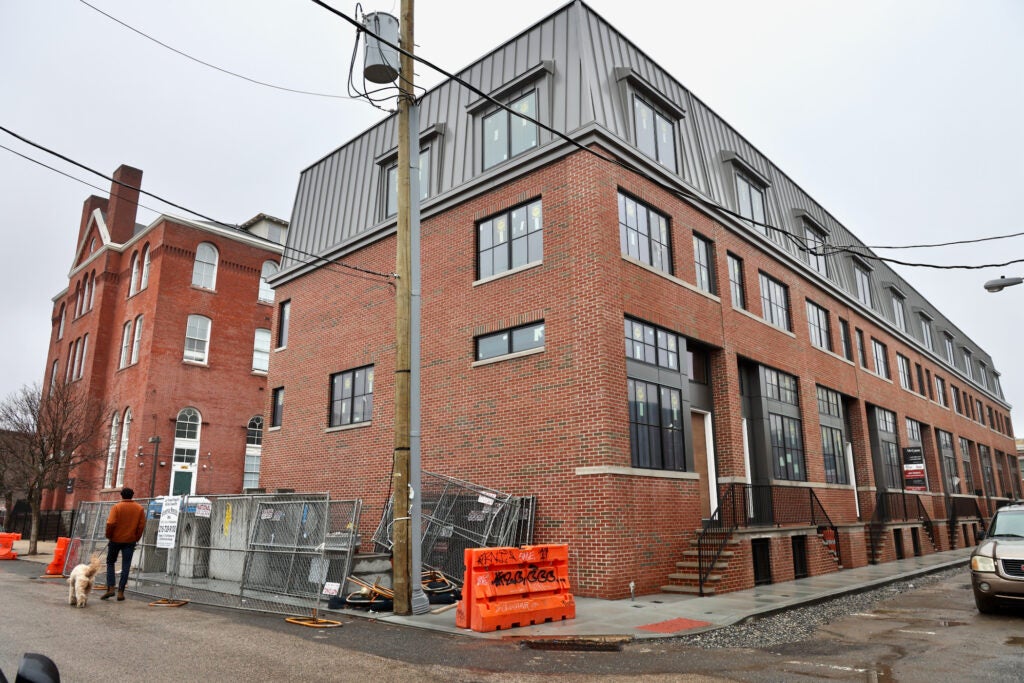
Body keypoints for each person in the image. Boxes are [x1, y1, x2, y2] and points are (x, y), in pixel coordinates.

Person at [101, 486, 146, 601]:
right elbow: (141, 526)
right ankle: (121, 591)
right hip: (130, 540)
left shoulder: (117, 507)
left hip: (115, 539)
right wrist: (136, 537)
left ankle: (111, 587)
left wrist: (109, 535)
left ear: (121, 495)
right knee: (126, 565)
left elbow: (110, 523)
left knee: (110, 562)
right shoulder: (139, 508)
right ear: (132, 496)